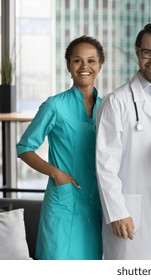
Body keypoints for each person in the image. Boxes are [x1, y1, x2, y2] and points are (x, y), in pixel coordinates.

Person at [95, 23, 151, 260]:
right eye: (148, 52)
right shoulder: (116, 102)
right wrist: (117, 212)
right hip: (130, 209)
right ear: (137, 52)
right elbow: (105, 166)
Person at [16, 35, 105, 259]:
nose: (84, 66)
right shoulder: (54, 105)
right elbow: (24, 147)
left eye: (91, 61)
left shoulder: (108, 108)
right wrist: (56, 173)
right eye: (77, 60)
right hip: (63, 204)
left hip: (96, 206)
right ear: (68, 65)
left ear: (100, 65)